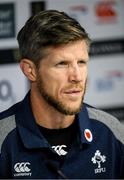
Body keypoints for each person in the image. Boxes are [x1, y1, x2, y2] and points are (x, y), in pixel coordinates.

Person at [0, 10, 124, 179]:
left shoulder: (111, 132)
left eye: (81, 62)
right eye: (62, 64)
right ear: (30, 70)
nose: (77, 77)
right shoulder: (2, 138)